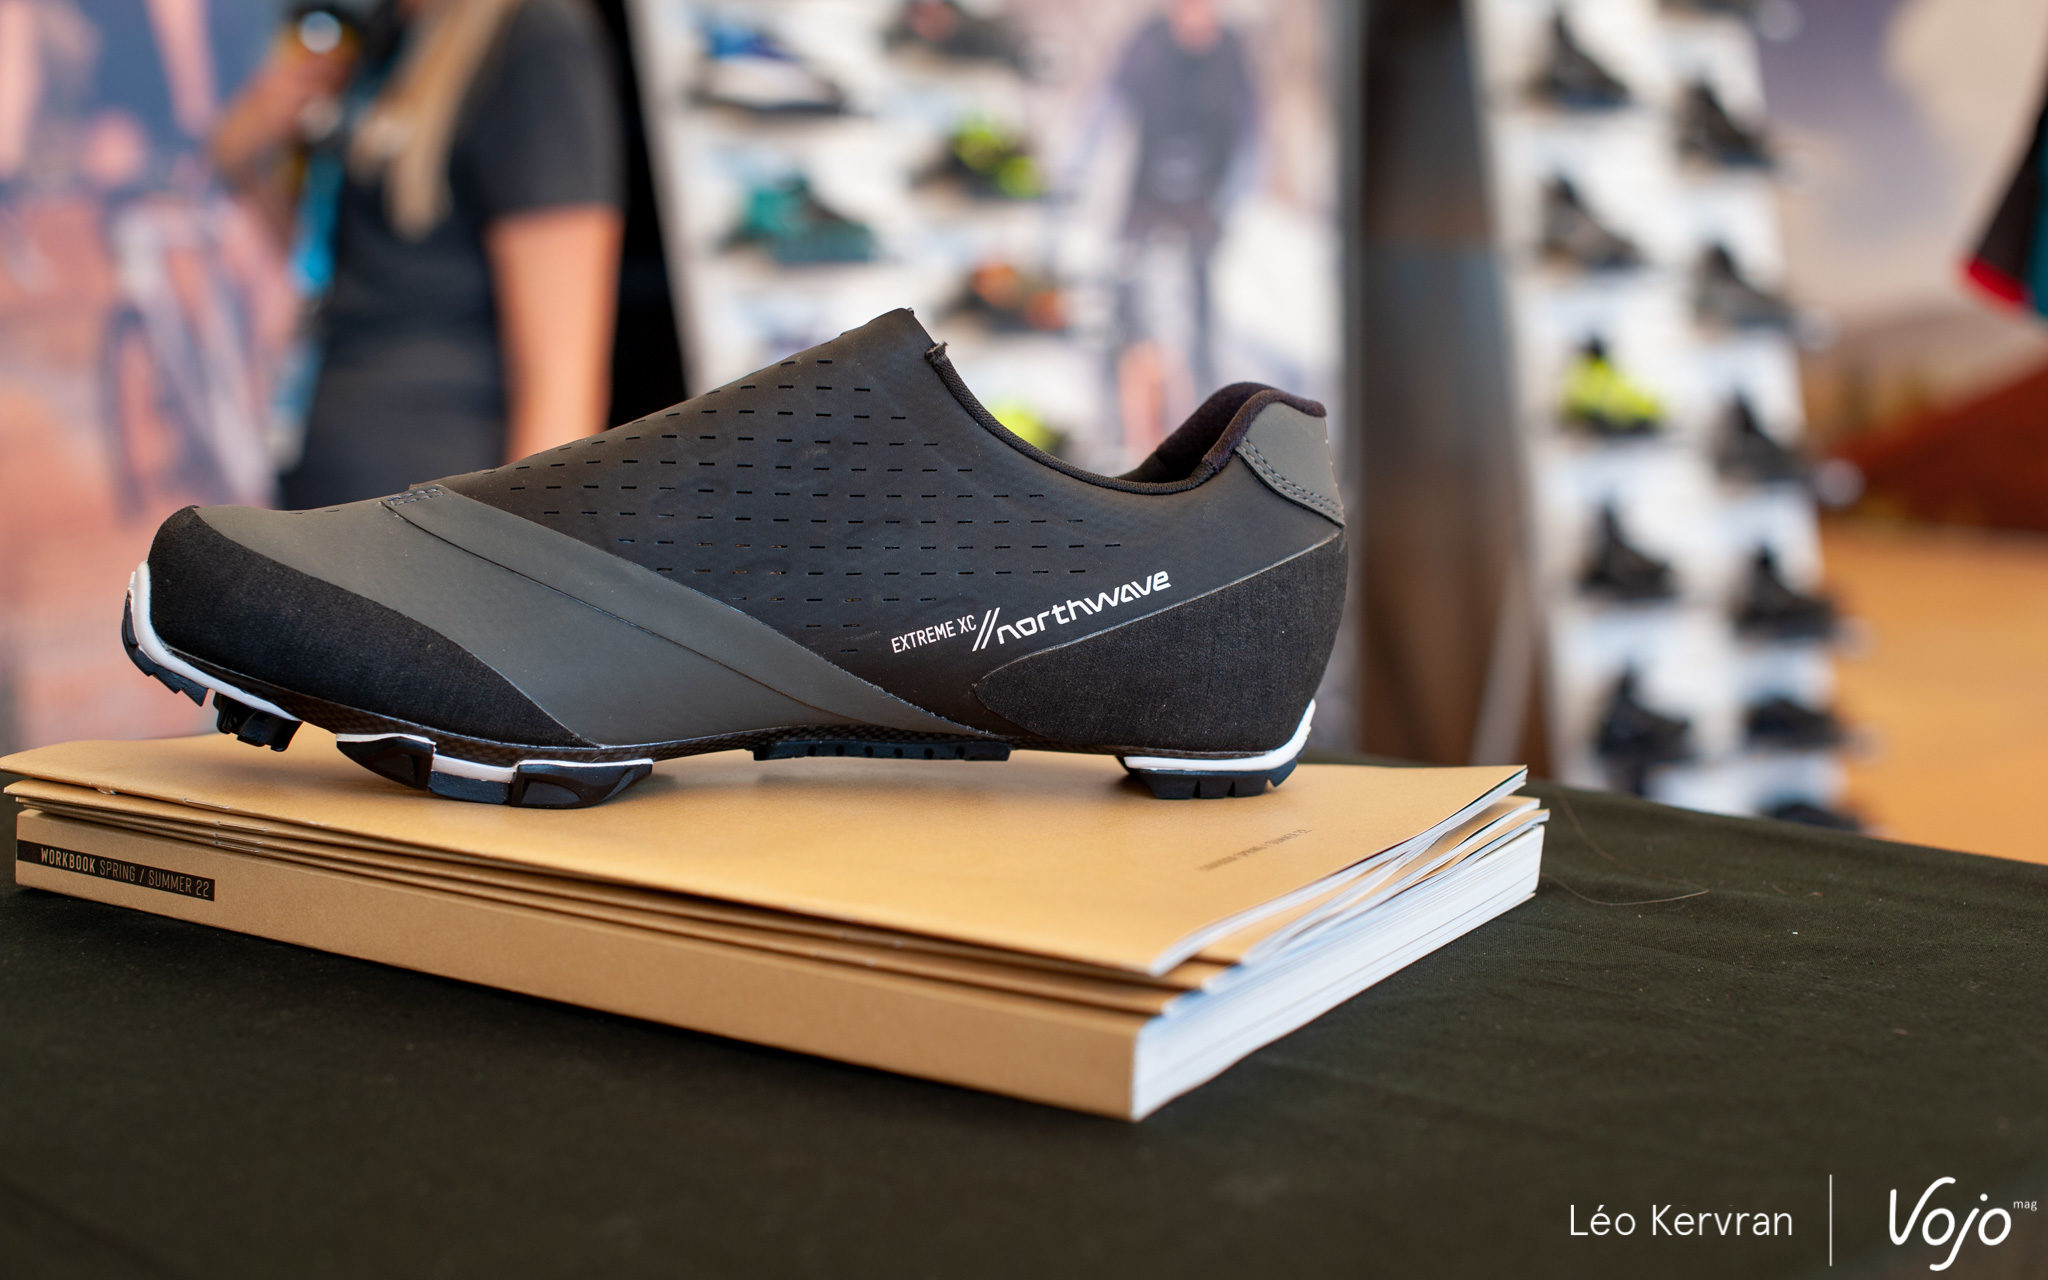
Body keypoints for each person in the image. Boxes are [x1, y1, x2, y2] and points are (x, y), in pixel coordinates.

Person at [211, 0, 623, 508]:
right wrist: (246, 163)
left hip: (435, 493)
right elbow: (352, 261)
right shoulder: (389, 34)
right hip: (333, 472)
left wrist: (529, 542)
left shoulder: (534, 39)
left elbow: (562, 380)